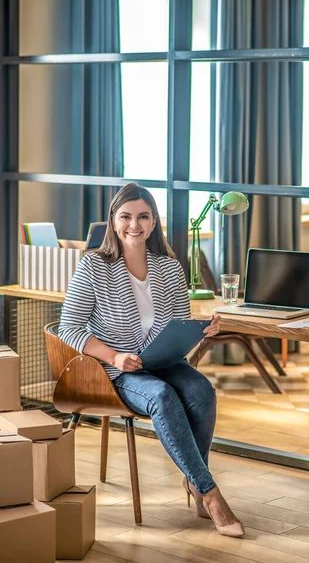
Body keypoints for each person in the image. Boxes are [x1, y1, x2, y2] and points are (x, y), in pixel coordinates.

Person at [58, 182, 245, 538]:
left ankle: (194, 480)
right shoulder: (94, 266)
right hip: (117, 370)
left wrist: (202, 330)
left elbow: (179, 323)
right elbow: (68, 327)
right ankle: (210, 493)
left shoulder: (169, 268)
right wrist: (115, 355)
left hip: (165, 362)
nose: (135, 224)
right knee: (162, 396)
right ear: (113, 221)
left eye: (144, 216)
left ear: (154, 221)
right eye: (126, 216)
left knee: (203, 390)